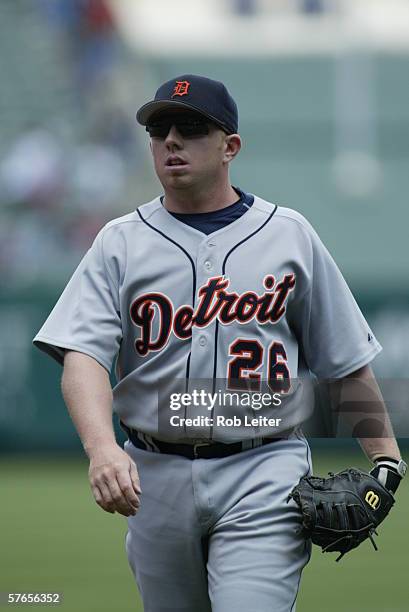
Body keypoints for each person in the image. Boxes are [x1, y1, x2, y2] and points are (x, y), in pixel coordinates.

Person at [33, 74, 406, 612]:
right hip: (151, 475)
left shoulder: (288, 234)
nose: (171, 141)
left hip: (265, 469)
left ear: (230, 147)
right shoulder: (120, 241)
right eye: (159, 129)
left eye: (190, 127)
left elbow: (345, 360)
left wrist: (386, 460)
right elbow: (82, 355)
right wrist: (101, 450)